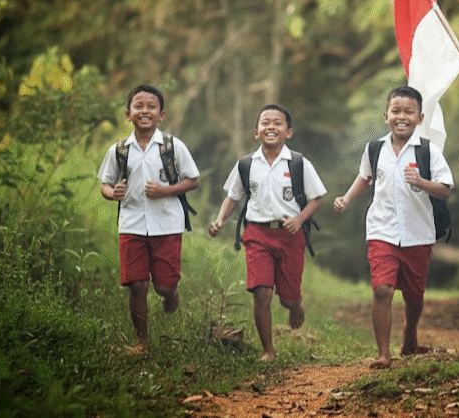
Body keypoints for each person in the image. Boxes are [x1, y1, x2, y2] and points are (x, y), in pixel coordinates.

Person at [333, 86, 454, 369]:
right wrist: (347, 198)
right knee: (382, 290)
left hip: (418, 233)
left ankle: (410, 330)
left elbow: (445, 189)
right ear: (386, 115)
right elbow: (365, 177)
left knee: (414, 296)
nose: (402, 117)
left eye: (409, 112)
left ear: (420, 118)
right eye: (396, 111)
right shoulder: (375, 149)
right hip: (381, 229)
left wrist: (422, 182)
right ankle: (383, 354)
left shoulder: (428, 151)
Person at [208, 104, 326, 361]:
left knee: (286, 298)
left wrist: (299, 218)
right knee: (262, 292)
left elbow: (317, 198)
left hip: (290, 235)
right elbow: (233, 197)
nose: (271, 127)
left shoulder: (298, 163)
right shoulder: (246, 165)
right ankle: (268, 351)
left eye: (278, 123)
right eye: (265, 123)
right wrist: (219, 220)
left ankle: (295, 303)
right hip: (257, 234)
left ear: (289, 132)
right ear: (256, 131)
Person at [98, 85, 201, 355]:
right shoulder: (119, 150)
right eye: (138, 106)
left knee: (163, 285)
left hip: (167, 224)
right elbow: (105, 184)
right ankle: (141, 343)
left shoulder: (172, 146)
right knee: (137, 285)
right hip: (131, 224)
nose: (145, 111)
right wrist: (113, 193)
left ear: (161, 114)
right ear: (128, 113)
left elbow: (193, 180)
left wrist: (165, 191)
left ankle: (171, 294)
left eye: (151, 106)